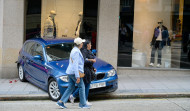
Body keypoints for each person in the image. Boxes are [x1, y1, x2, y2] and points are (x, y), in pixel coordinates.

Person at [56, 37, 91, 109]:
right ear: (80, 44)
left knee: (71, 87)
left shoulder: (74, 50)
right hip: (75, 73)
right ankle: (82, 104)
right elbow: (75, 64)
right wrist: (77, 76)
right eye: (82, 43)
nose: (82, 44)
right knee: (82, 87)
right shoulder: (76, 52)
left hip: (71, 72)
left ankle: (61, 102)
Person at [69, 40, 96, 106]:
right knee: (85, 85)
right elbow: (83, 60)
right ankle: (84, 100)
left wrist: (93, 68)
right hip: (85, 70)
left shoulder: (88, 51)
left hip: (88, 69)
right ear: (87, 45)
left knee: (85, 85)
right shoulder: (83, 51)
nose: (91, 45)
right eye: (90, 44)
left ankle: (75, 96)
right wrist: (91, 60)